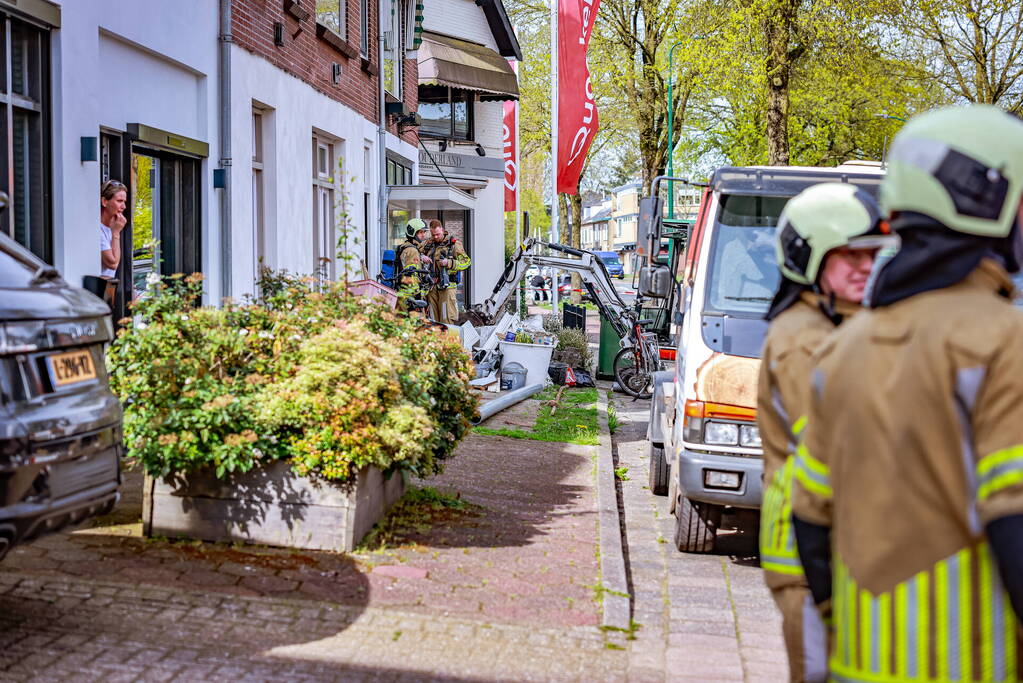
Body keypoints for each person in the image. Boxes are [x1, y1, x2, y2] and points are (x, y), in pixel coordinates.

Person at [792, 105, 1023, 682]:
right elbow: (1014, 518)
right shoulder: (1002, 340)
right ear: (982, 197)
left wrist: (832, 617)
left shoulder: (842, 349)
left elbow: (809, 516)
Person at [757, 183, 889, 683]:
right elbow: (838, 441)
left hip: (834, 539)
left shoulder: (842, 323)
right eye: (847, 254)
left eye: (870, 254)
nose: (864, 265)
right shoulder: (801, 338)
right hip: (803, 546)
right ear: (806, 257)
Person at [423, 220, 470, 324]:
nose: (435, 237)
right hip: (432, 287)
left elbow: (466, 262)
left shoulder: (453, 244)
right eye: (433, 234)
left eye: (438, 234)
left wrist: (449, 262)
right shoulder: (428, 244)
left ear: (443, 230)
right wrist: (422, 256)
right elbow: (415, 251)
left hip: (447, 287)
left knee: (447, 318)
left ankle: (447, 340)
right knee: (432, 319)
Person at [395, 218, 432, 314]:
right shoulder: (412, 251)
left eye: (424, 232)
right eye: (420, 232)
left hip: (402, 295)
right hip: (411, 298)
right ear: (413, 233)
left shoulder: (405, 247)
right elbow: (412, 276)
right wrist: (417, 298)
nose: (423, 235)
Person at [100, 179, 127, 278]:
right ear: (104, 201)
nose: (123, 206)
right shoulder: (97, 230)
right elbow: (113, 264)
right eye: (119, 201)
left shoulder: (111, 227)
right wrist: (116, 233)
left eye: (124, 202)